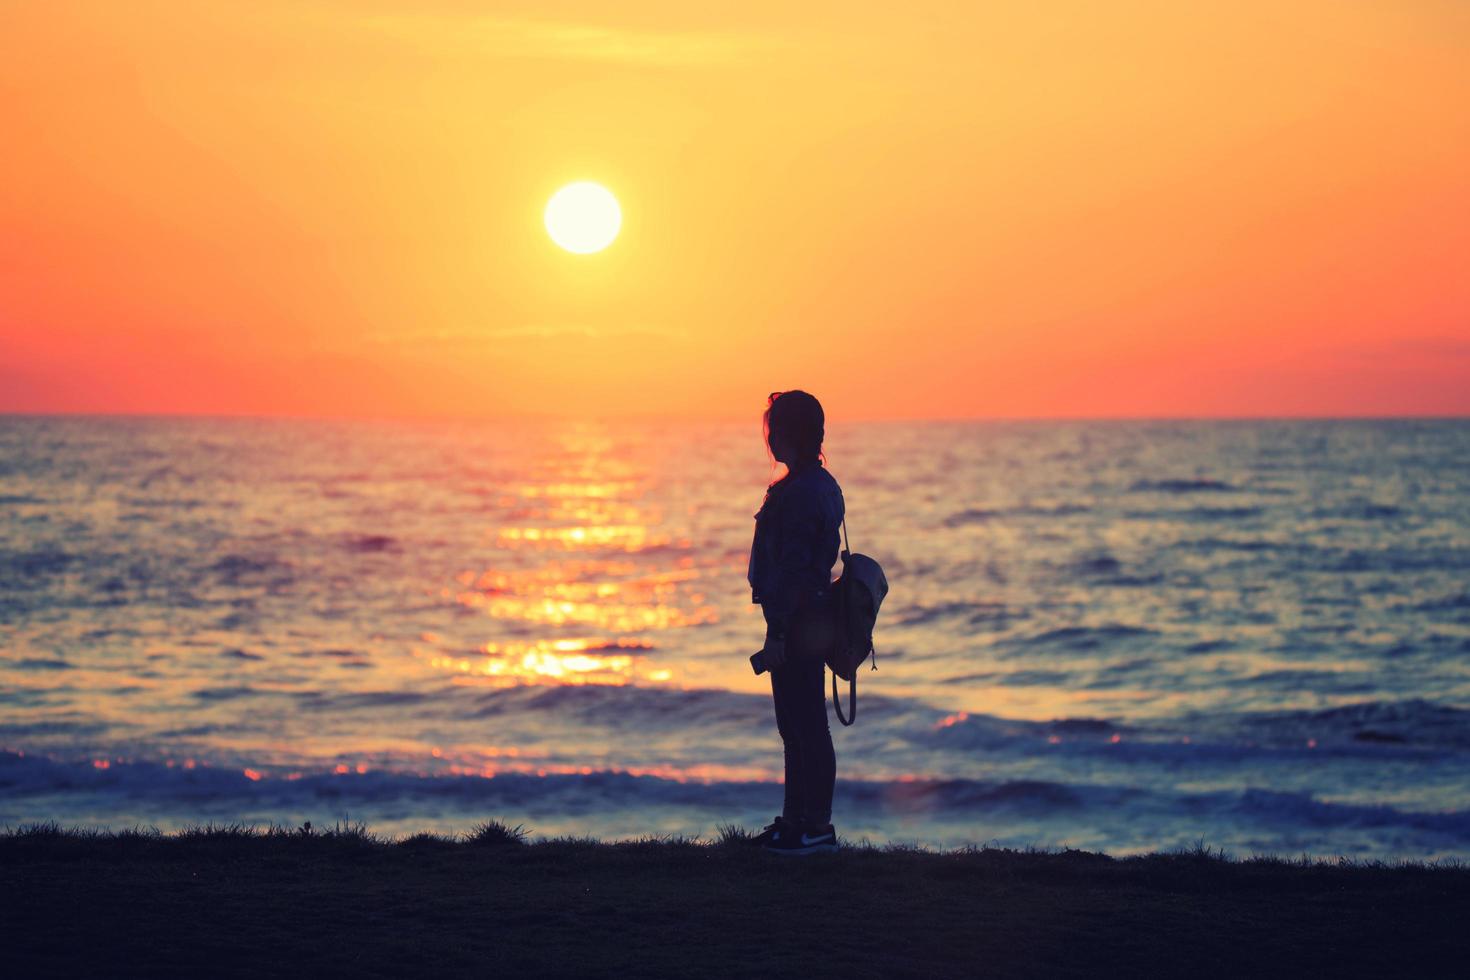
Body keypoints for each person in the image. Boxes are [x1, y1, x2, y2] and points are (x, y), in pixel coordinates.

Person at [746, 390, 845, 855]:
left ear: (792, 434)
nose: (771, 440)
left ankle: (816, 827)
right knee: (795, 725)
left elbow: (799, 571)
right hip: (797, 619)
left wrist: (783, 630)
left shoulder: (805, 491)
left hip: (800, 621)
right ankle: (795, 822)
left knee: (806, 724)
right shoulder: (811, 484)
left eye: (776, 430)